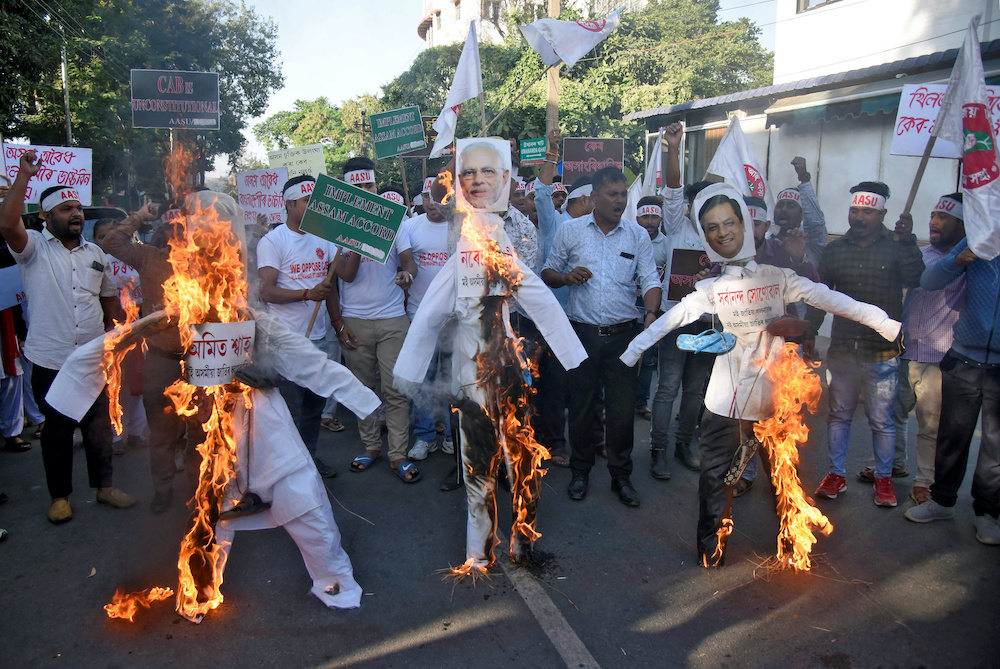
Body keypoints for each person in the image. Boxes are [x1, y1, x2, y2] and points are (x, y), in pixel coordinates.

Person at [620, 183, 901, 566]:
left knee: (783, 475)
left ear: (746, 224)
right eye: (713, 227)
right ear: (705, 236)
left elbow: (831, 299)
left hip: (775, 398)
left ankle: (791, 541)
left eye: (729, 222)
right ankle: (711, 547)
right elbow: (670, 319)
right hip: (724, 401)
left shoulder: (778, 276)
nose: (723, 232)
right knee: (716, 478)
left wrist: (886, 325)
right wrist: (630, 354)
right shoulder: (713, 288)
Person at [0, 151, 136, 523]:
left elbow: (108, 299)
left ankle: (104, 488)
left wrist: (127, 328)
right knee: (58, 431)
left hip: (93, 355)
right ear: (45, 216)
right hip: (51, 358)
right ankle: (59, 496)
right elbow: (7, 221)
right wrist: (24, 178)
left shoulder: (96, 253)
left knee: (99, 427)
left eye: (77, 208)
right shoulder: (32, 249)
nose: (75, 214)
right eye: (64, 208)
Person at [542, 166, 662, 507]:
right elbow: (547, 272)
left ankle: (620, 476)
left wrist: (651, 314)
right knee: (581, 407)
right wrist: (566, 278)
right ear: (594, 197)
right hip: (581, 334)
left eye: (623, 194)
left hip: (624, 337)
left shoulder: (636, 235)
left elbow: (651, 279)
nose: (620, 201)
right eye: (612, 194)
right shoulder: (571, 230)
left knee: (622, 412)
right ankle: (580, 471)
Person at [815, 182, 924, 508]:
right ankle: (836, 474)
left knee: (882, 420)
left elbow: (917, 278)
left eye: (867, 211)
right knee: (839, 415)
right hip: (843, 351)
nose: (859, 217)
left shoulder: (897, 245)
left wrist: (907, 242)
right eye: (854, 210)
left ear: (882, 214)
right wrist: (808, 333)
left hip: (882, 353)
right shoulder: (834, 250)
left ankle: (884, 479)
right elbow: (819, 295)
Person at [102, 197, 205, 513]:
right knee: (161, 434)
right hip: (160, 360)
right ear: (163, 234)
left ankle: (199, 492)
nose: (180, 235)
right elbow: (111, 243)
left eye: (185, 230)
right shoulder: (148, 257)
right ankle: (163, 490)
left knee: (199, 433)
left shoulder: (208, 262)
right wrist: (137, 216)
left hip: (200, 360)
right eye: (173, 230)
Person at [904, 212, 1000, 545]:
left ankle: (987, 514)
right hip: (964, 357)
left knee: (995, 446)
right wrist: (959, 259)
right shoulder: (981, 232)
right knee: (951, 437)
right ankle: (942, 501)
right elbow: (929, 281)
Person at [333, 158, 419, 483]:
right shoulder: (337, 226)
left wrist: (406, 275)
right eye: (357, 188)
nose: (365, 193)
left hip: (393, 320)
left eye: (369, 186)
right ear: (346, 191)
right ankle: (371, 448)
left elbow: (410, 262)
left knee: (396, 391)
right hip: (355, 321)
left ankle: (398, 453)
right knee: (363, 390)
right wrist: (355, 239)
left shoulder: (396, 223)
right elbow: (346, 276)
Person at [257, 174, 340, 479]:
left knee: (313, 409)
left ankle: (309, 460)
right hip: (285, 343)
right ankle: (284, 471)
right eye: (307, 201)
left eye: (315, 201)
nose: (313, 206)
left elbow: (334, 281)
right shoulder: (272, 241)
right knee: (289, 411)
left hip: (317, 341)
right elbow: (265, 292)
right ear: (290, 203)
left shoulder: (324, 237)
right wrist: (306, 294)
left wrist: (338, 323)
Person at [888, 194, 965, 505]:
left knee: (930, 424)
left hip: (940, 357)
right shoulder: (921, 255)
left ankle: (925, 482)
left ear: (962, 225)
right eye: (933, 215)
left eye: (943, 217)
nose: (934, 221)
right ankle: (893, 463)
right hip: (907, 349)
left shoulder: (967, 262)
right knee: (893, 413)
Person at [647, 124, 713, 481]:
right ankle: (657, 450)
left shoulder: (724, 237)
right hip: (676, 321)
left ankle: (682, 444)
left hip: (709, 325)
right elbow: (672, 190)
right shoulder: (677, 225)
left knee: (695, 392)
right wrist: (675, 148)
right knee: (668, 388)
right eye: (696, 203)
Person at [92, 218, 148, 455]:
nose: (109, 241)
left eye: (114, 235)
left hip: (140, 326)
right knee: (114, 383)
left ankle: (136, 430)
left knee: (138, 381)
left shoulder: (138, 255)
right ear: (94, 240)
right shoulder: (94, 261)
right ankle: (116, 434)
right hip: (109, 329)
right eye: (102, 236)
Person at [771, 157, 828, 268]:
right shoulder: (766, 243)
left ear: (802, 215)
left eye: (791, 206)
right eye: (780, 205)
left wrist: (804, 179)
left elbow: (815, 223)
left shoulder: (810, 241)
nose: (783, 209)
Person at [458, 141, 511, 211]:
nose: (478, 180)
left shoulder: (517, 220)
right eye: (469, 173)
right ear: (460, 180)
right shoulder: (454, 214)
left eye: (488, 171)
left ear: (504, 177)